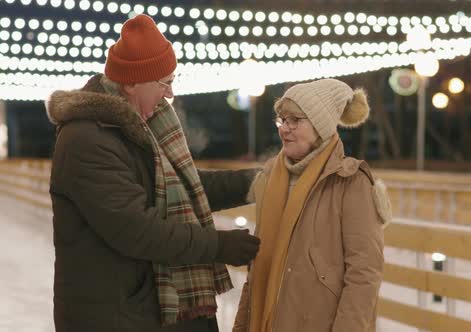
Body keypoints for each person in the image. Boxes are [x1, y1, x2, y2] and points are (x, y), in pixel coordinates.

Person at [45, 14, 260, 332]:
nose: (170, 94)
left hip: (147, 306)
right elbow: (136, 229)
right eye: (165, 83)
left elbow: (186, 187)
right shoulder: (87, 139)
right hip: (115, 315)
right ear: (131, 82)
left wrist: (255, 182)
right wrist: (217, 245)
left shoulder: (145, 125)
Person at [233, 78, 390, 332]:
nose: (285, 128)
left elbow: (364, 274)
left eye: (296, 120)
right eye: (282, 120)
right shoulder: (272, 177)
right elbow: (258, 270)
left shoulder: (349, 182)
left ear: (321, 125)